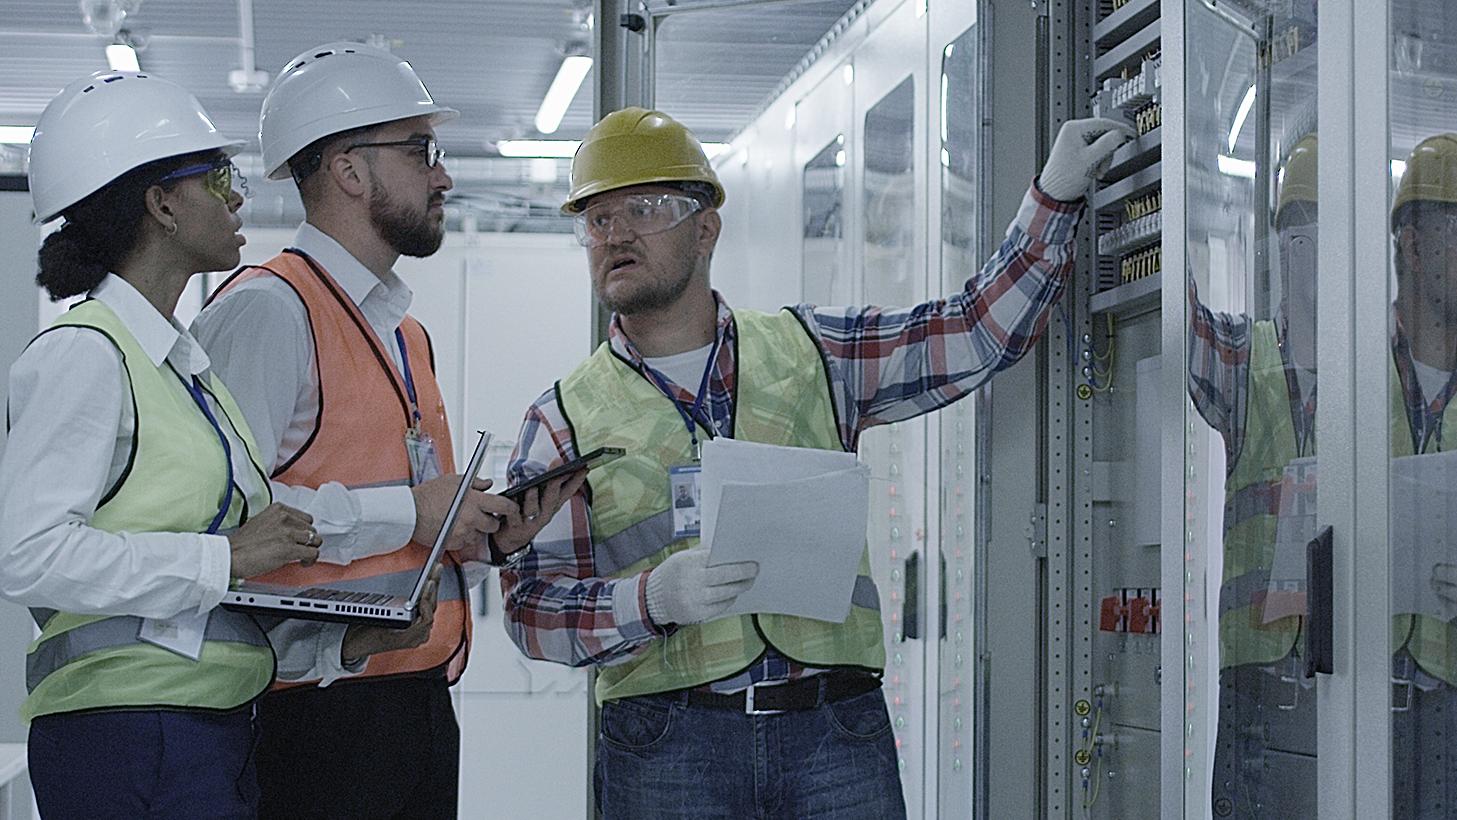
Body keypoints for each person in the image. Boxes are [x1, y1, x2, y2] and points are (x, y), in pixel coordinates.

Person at [500, 107, 1132, 818]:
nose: (614, 233)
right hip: (667, 746)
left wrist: (1050, 198)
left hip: (832, 731)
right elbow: (529, 609)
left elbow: (972, 333)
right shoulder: (562, 418)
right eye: (596, 219)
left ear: (704, 226)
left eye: (641, 208)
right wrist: (648, 602)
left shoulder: (814, 352)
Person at [191, 42, 581, 818]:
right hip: (309, 711)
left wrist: (477, 531)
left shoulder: (406, 334)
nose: (442, 175)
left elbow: (405, 510)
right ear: (348, 170)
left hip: (413, 696)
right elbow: (227, 519)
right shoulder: (268, 310)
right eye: (420, 151)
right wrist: (411, 512)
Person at [0, 70, 320, 818]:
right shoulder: (84, 353)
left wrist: (341, 642)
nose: (237, 197)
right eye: (218, 178)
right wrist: (228, 555)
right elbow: (29, 554)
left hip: (202, 728)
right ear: (161, 204)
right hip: (129, 737)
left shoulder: (177, 365)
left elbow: (202, 586)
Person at [1191, 133, 1457, 819]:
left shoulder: (1384, 366)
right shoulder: (1249, 362)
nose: (1315, 250)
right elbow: (1178, 327)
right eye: (1302, 231)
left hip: (1407, 689)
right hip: (1270, 688)